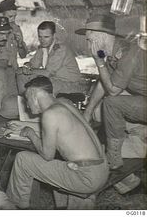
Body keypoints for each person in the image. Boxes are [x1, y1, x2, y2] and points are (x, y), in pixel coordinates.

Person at [6, 76, 109, 209]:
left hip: (86, 177)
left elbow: (47, 156)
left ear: (33, 95)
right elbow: (58, 129)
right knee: (60, 162)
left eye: (26, 99)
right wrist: (23, 125)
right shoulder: (64, 103)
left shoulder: (49, 115)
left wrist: (31, 134)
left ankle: (13, 207)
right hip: (101, 170)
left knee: (23, 159)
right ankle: (61, 207)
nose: (27, 105)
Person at [75, 14, 147, 192]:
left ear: (100, 36)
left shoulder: (129, 53)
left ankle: (113, 158)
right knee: (100, 109)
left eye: (90, 40)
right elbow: (104, 81)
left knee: (112, 103)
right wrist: (87, 111)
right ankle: (127, 178)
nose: (88, 44)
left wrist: (98, 63)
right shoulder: (114, 51)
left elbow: (113, 89)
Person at [16, 21, 83, 95]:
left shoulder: (61, 49)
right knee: (22, 76)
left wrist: (28, 70)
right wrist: (26, 66)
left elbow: (48, 73)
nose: (42, 40)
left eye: (46, 37)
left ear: (54, 36)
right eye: (40, 37)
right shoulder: (43, 48)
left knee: (40, 85)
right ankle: (24, 103)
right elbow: (33, 64)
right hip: (54, 80)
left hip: (70, 84)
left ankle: (33, 103)